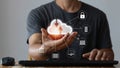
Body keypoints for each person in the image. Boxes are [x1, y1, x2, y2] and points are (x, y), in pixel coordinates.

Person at [27, 0, 114, 61]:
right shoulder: (38, 14)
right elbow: (33, 50)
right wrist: (45, 48)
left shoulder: (98, 16)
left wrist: (103, 55)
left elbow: (108, 53)